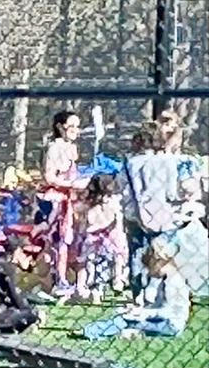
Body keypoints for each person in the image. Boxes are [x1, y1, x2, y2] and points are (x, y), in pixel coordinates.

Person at [84, 241, 191, 340]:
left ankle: (91, 331)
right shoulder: (160, 278)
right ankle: (95, 331)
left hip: (170, 324)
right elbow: (152, 304)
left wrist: (144, 313)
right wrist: (136, 308)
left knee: (126, 320)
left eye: (151, 264)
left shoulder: (174, 281)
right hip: (156, 319)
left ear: (160, 262)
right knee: (126, 317)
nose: (149, 269)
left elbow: (171, 312)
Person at [124, 119, 184, 286]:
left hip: (136, 212)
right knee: (160, 252)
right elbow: (172, 192)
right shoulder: (168, 161)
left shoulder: (131, 163)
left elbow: (124, 189)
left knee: (137, 251)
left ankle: (138, 290)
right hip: (162, 213)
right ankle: (157, 286)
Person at [38, 110, 83, 296]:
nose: (75, 130)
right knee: (56, 241)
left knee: (67, 240)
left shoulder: (71, 147)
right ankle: (56, 280)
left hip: (69, 199)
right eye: (71, 126)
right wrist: (70, 184)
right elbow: (49, 176)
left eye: (77, 126)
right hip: (55, 200)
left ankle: (63, 278)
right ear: (60, 127)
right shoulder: (54, 148)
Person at [77, 174, 130, 300]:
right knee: (113, 260)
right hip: (105, 237)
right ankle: (114, 283)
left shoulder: (92, 204)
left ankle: (113, 283)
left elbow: (87, 222)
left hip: (102, 237)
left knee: (100, 262)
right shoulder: (110, 202)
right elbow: (113, 219)